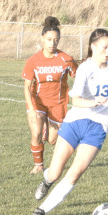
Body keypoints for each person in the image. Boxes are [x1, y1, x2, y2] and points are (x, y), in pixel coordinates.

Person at [32, 28, 108, 215]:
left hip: (98, 128)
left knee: (74, 174)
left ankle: (41, 211)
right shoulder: (85, 69)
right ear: (93, 47)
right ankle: (47, 180)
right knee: (55, 172)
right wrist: (94, 102)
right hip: (75, 122)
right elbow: (77, 101)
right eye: (105, 47)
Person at [21, 16, 78, 174]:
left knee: (52, 140)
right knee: (36, 133)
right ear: (42, 39)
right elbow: (27, 86)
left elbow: (80, 77)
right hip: (38, 103)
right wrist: (32, 109)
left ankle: (46, 125)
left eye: (56, 40)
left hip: (58, 104)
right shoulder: (33, 60)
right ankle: (38, 165)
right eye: (49, 39)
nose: (52, 43)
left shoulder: (66, 60)